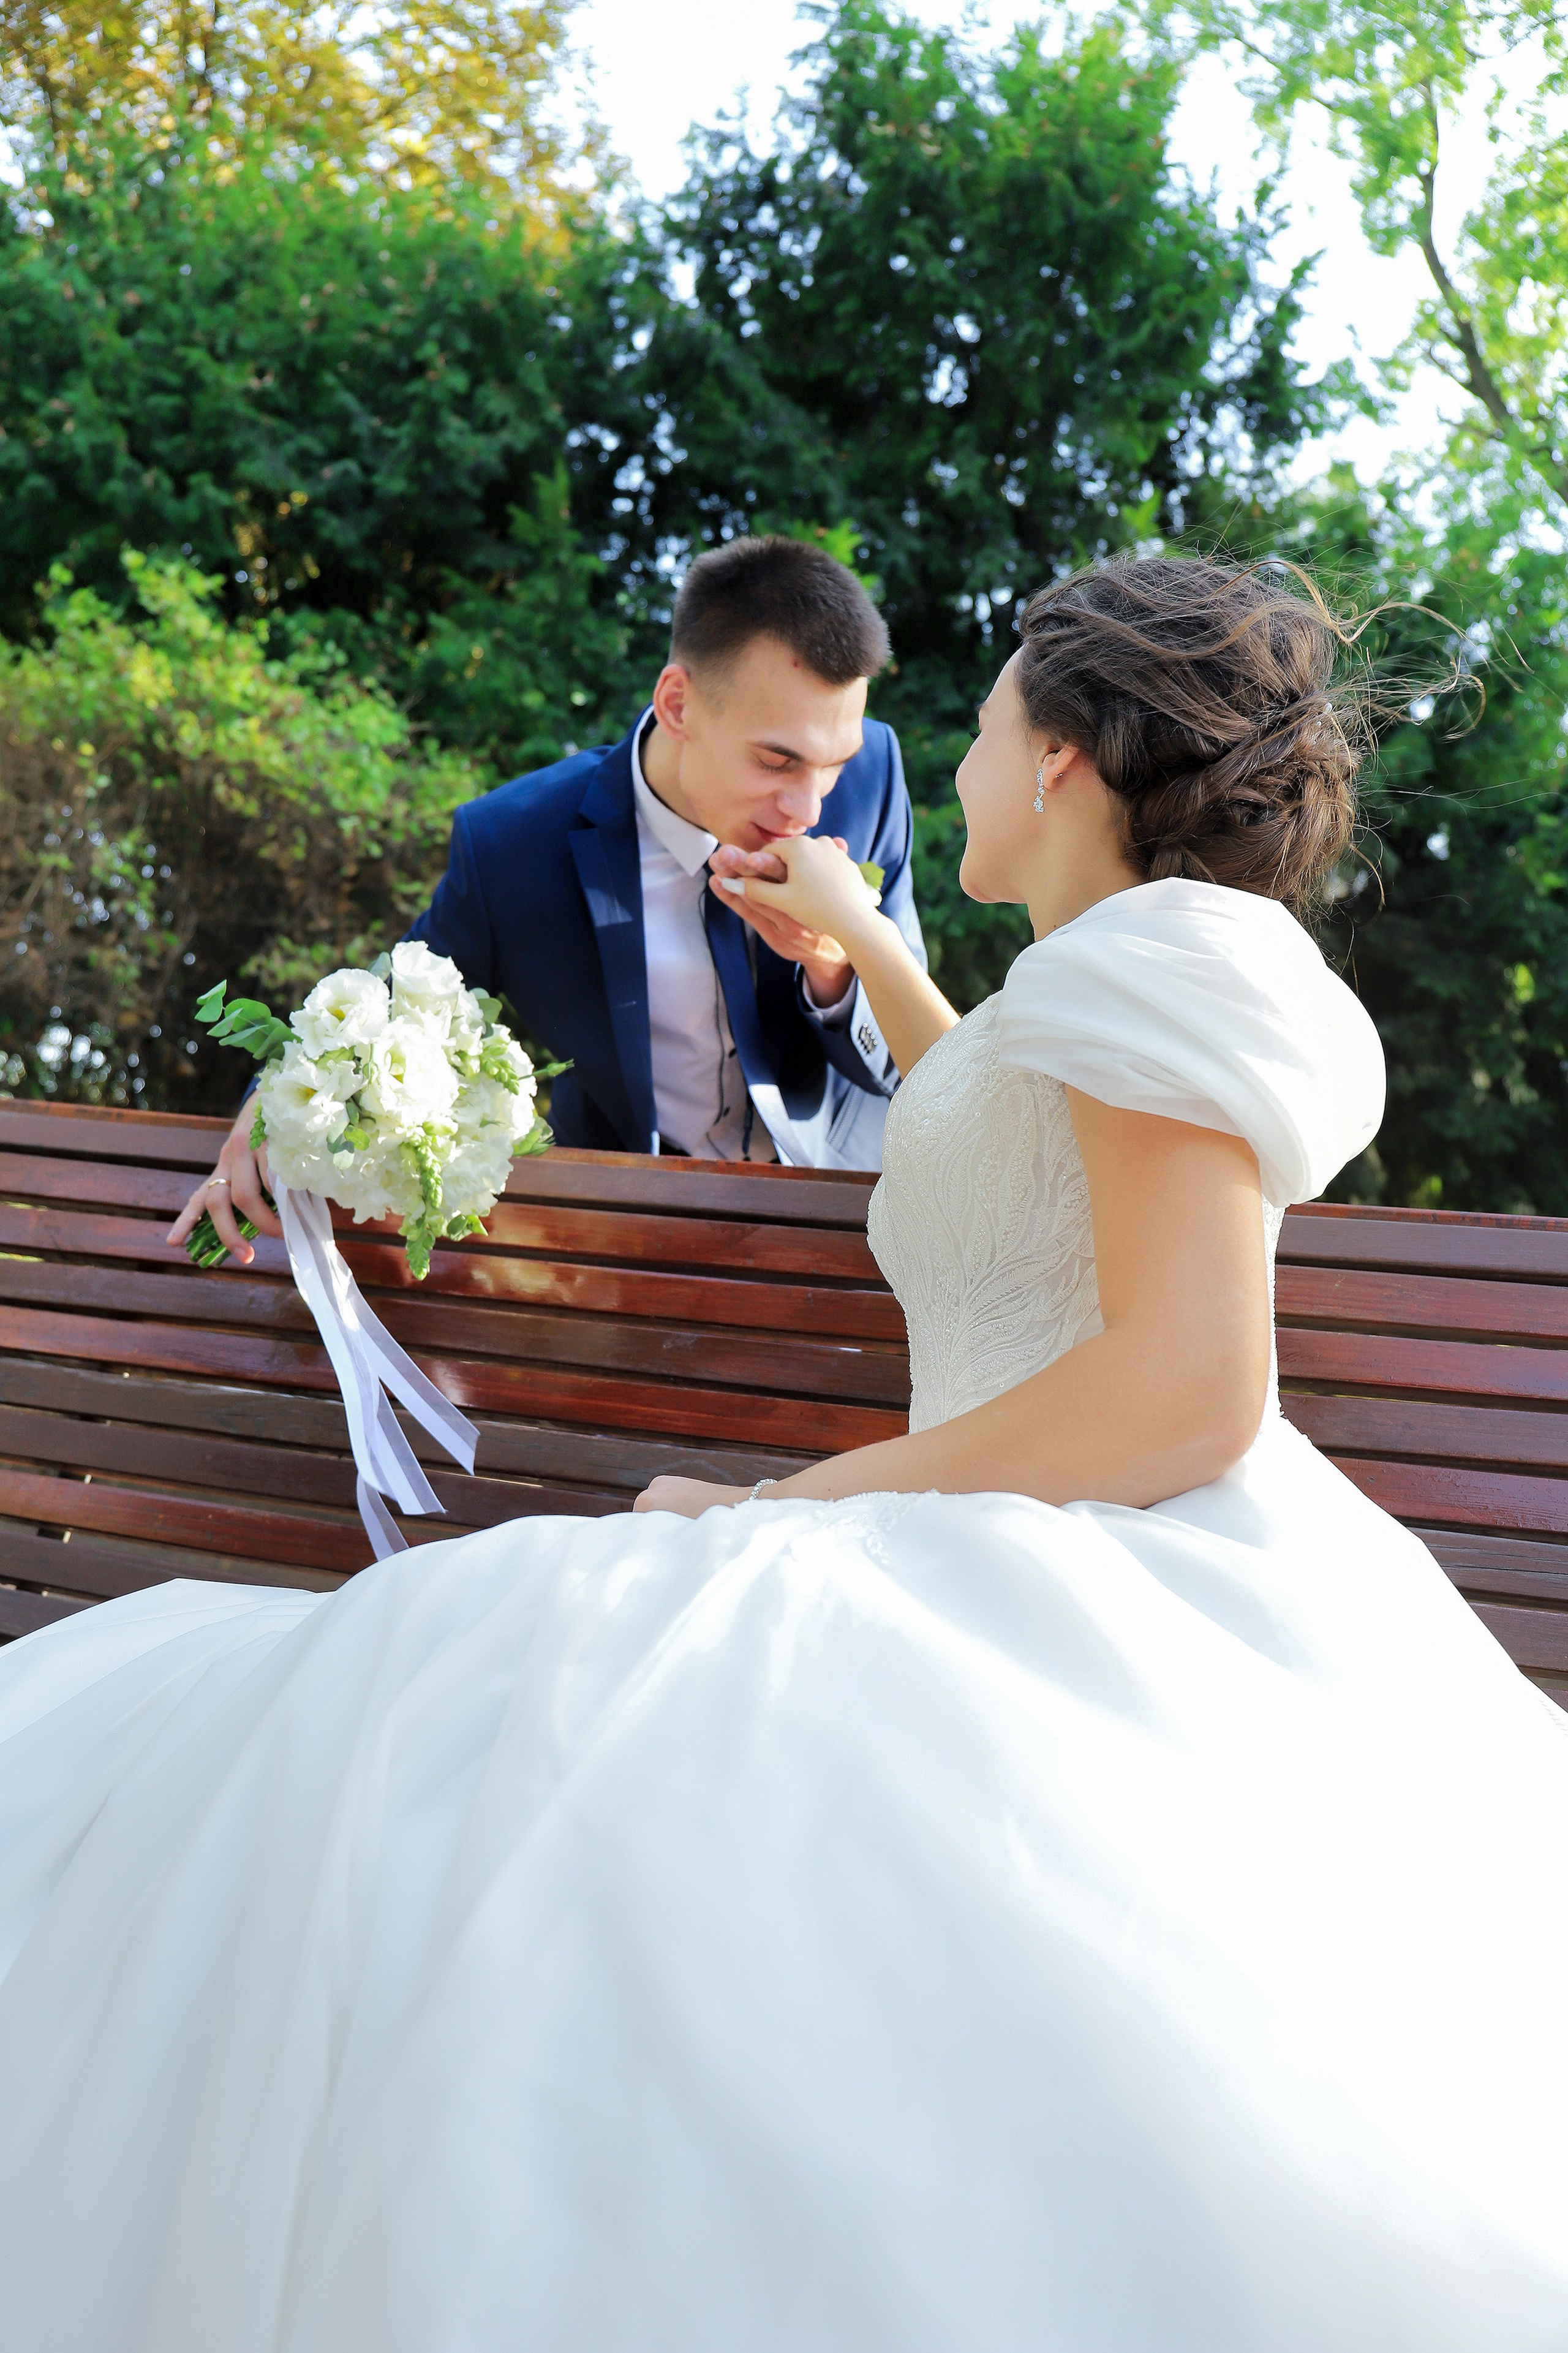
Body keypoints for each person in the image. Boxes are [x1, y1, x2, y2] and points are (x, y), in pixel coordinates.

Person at [4, 553, 1568, 2351]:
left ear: (1056, 761)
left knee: (467, 1716)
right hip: (1009, 1524)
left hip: (1074, 1546)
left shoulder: (1160, 956)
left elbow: (1188, 1388)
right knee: (453, 1702)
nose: (932, 771)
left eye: (973, 728)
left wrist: (782, 1506)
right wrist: (871, 951)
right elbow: (1003, 1121)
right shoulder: (1105, 968)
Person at [166, 537, 926, 1267]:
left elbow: (917, 1066)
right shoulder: (513, 844)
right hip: (631, 1241)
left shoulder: (872, 782)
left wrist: (834, 965)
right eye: (776, 760)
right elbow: (386, 1002)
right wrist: (272, 1109)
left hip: (851, 1215)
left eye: (835, 763)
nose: (809, 806)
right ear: (678, 704)